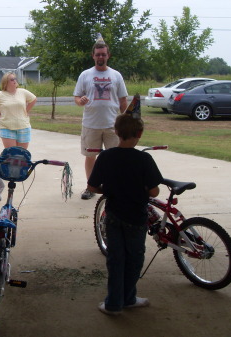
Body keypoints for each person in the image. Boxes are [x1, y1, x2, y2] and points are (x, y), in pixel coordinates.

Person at [87, 113, 163, 316]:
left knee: (116, 259)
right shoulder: (144, 159)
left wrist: (110, 189)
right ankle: (129, 298)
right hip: (137, 218)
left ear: (117, 133)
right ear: (139, 133)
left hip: (113, 216)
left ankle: (113, 303)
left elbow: (92, 187)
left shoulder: (105, 156)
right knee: (134, 258)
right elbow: (154, 192)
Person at [74, 36, 128, 200]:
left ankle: (114, 187)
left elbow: (123, 100)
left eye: (103, 54)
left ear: (108, 55)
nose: (100, 57)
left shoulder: (116, 75)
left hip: (112, 125)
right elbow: (77, 97)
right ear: (93, 56)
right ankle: (91, 187)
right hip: (91, 124)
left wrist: (123, 120)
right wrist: (80, 100)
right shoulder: (85, 75)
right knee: (91, 157)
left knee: (115, 158)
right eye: (98, 54)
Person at [0, 72, 37, 149]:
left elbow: (33, 99)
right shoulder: (0, 95)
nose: (14, 81)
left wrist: (26, 110)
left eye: (15, 79)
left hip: (23, 126)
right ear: (6, 82)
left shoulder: (22, 92)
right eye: (12, 79)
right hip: (6, 127)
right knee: (11, 154)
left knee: (22, 155)